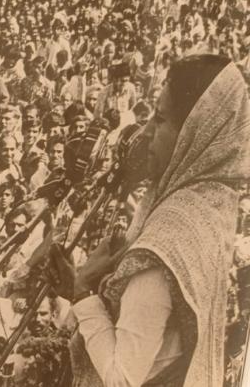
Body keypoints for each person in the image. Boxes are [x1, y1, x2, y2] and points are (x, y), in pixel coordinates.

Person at [49, 55, 250, 386]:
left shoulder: (168, 237)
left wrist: (82, 291)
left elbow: (122, 379)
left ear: (193, 135)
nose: (145, 134)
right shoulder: (209, 207)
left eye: (159, 119)